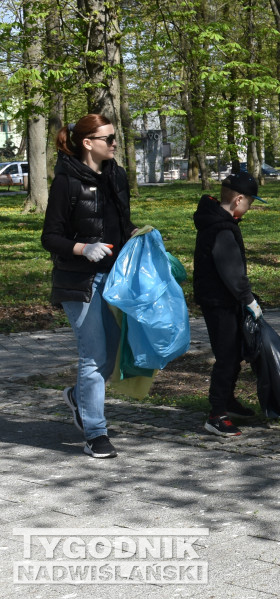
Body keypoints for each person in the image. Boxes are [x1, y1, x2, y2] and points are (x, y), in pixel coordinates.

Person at [41, 114, 137, 459]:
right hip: (78, 280)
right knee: (93, 356)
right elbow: (49, 237)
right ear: (87, 143)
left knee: (112, 356)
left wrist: (138, 237)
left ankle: (77, 397)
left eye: (114, 137)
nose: (114, 143)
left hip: (114, 277)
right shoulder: (66, 182)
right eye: (108, 138)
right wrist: (83, 248)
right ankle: (95, 433)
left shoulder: (117, 176)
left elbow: (121, 224)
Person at [192, 172, 267, 436]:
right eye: (250, 202)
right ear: (238, 200)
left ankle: (228, 401)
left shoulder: (218, 221)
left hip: (222, 299)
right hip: (220, 301)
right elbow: (232, 272)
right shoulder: (221, 228)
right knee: (227, 356)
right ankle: (216, 414)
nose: (251, 207)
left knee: (234, 353)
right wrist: (248, 300)